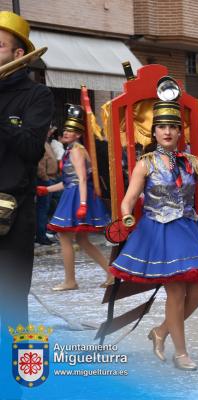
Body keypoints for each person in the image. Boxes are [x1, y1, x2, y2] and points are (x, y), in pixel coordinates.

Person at [109, 99, 198, 370]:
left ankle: (161, 331)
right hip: (160, 232)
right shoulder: (145, 163)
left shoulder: (191, 162)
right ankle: (181, 352)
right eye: (161, 126)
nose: (167, 132)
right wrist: (126, 214)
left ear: (179, 131)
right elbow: (129, 198)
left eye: (173, 126)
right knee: (175, 292)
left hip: (188, 229)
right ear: (153, 132)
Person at [0, 10, 54, 329]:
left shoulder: (37, 95)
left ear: (19, 54)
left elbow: (32, 148)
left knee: (9, 301)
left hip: (11, 214)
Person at [38, 105, 112, 290]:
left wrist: (83, 204)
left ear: (78, 135)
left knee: (64, 237)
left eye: (71, 131)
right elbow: (67, 181)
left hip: (77, 196)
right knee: (81, 240)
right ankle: (110, 273)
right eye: (66, 129)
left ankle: (70, 281)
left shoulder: (77, 151)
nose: (66, 132)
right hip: (74, 193)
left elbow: (81, 179)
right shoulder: (71, 150)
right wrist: (47, 190)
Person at [35, 126, 59, 245]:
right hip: (46, 179)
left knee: (45, 207)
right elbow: (40, 163)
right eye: (49, 130)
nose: (51, 132)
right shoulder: (40, 142)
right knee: (43, 208)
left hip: (51, 178)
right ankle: (41, 235)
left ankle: (42, 234)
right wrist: (45, 178)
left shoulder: (45, 142)